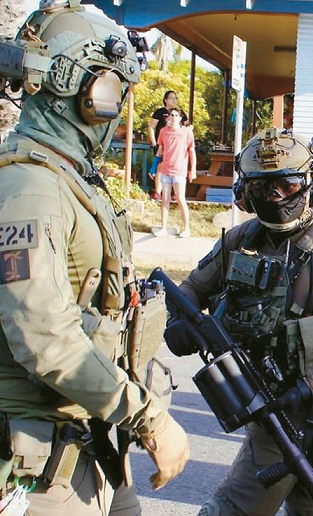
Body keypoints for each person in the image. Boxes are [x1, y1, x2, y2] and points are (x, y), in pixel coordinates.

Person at [0, 2, 189, 514]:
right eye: (115, 88)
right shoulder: (30, 188)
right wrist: (149, 418)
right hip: (43, 462)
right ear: (89, 93)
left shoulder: (66, 178)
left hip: (91, 436)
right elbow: (45, 336)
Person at [180, 127, 313, 516]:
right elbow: (191, 290)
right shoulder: (243, 239)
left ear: (311, 184)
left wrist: (312, 386)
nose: (275, 197)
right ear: (246, 193)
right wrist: (181, 321)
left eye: (287, 184)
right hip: (259, 401)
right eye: (263, 188)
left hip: (297, 414)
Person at [153, 107, 196, 238]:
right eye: (171, 115)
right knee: (165, 198)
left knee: (180, 199)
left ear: (181, 118)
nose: (173, 117)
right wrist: (154, 167)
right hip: (166, 169)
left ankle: (186, 228)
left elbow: (192, 151)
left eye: (176, 115)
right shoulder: (163, 131)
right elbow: (160, 151)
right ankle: (164, 227)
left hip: (179, 171)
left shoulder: (187, 132)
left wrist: (192, 169)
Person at [148, 90, 188, 200]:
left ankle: (176, 192)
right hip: (162, 144)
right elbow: (151, 127)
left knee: (175, 166)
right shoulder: (160, 112)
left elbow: (187, 125)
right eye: (171, 98)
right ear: (166, 100)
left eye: (175, 98)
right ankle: (158, 192)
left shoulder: (180, 112)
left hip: (175, 146)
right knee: (160, 166)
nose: (174, 100)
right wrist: (154, 142)